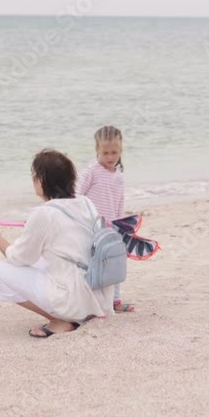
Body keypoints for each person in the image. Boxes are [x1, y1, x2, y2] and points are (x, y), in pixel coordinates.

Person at [0, 149, 115, 338]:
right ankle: (78, 313)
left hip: (75, 298)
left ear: (41, 180)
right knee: (44, 260)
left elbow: (18, 257)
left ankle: (59, 321)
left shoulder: (44, 213)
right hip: (99, 295)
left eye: (35, 175)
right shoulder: (86, 202)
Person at [75, 125, 133, 313]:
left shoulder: (119, 175)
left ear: (121, 150)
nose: (110, 157)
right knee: (93, 263)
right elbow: (76, 195)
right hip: (92, 227)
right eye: (105, 153)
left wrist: (122, 226)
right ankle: (91, 301)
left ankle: (115, 300)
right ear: (97, 151)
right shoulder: (91, 171)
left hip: (113, 228)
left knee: (115, 261)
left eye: (114, 152)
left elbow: (119, 202)